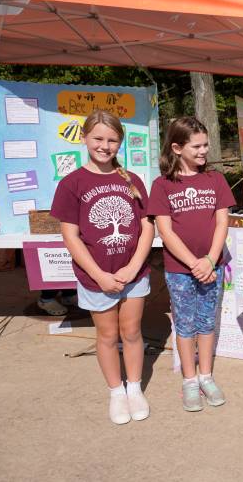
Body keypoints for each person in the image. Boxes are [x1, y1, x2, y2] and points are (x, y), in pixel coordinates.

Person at [50, 110, 154, 425]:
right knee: (107, 335)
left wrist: (134, 266)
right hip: (96, 278)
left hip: (134, 275)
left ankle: (134, 388)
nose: (104, 146)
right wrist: (99, 275)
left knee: (132, 331)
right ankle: (116, 392)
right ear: (85, 138)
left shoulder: (132, 181)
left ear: (119, 143)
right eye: (98, 138)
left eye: (111, 140)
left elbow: (146, 226)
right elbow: (70, 235)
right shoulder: (72, 183)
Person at [148, 117, 235, 412]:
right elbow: (165, 231)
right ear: (177, 147)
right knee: (185, 324)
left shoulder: (216, 180)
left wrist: (210, 259)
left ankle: (206, 375)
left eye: (206, 145)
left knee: (207, 321)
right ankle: (189, 379)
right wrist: (193, 263)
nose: (203, 151)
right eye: (196, 146)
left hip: (213, 265)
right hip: (179, 270)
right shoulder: (162, 185)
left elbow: (223, 220)